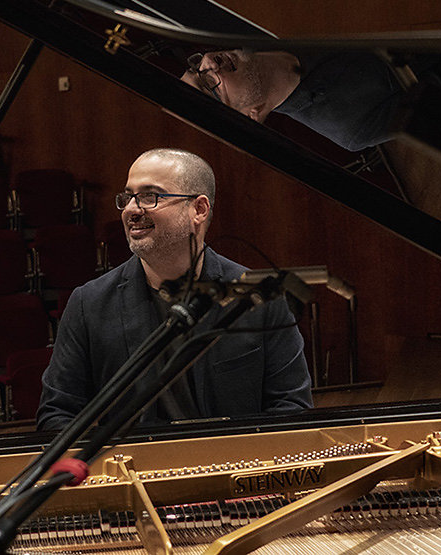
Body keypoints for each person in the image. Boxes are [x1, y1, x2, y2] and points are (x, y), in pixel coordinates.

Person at [37, 148, 312, 431]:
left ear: (198, 209)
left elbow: (291, 408)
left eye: (149, 196)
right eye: (128, 197)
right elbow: (57, 415)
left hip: (232, 466)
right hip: (138, 469)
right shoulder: (89, 304)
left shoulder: (262, 297)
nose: (132, 209)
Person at [183, 48, 441, 152]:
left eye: (196, 66)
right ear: (251, 115)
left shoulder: (262, 12)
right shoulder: (350, 128)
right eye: (209, 85)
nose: (209, 62)